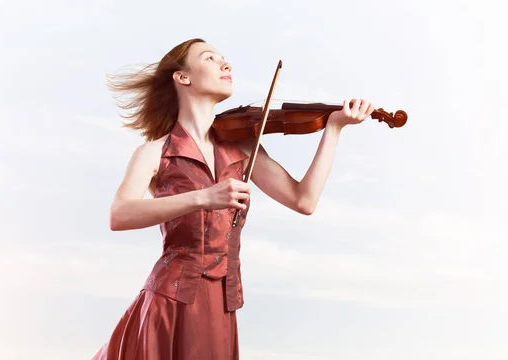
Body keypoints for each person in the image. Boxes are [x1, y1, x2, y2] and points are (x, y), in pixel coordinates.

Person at [91, 38, 375, 360]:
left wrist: (333, 130)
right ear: (183, 77)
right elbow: (120, 214)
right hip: (170, 301)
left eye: (225, 59)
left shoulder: (242, 147)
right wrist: (203, 197)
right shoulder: (154, 153)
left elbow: (303, 200)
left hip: (222, 302)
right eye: (210, 58)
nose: (226, 65)